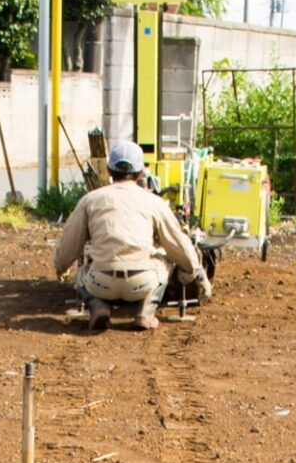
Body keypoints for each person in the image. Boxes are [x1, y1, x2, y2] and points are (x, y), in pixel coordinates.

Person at [52, 141, 211, 331]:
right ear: (141, 173)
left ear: (110, 171)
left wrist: (60, 267)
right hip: (142, 283)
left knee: (81, 274)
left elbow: (70, 244)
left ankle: (97, 306)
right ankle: (146, 313)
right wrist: (193, 270)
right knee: (164, 262)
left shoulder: (90, 200)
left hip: (100, 283)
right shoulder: (154, 202)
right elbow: (176, 245)